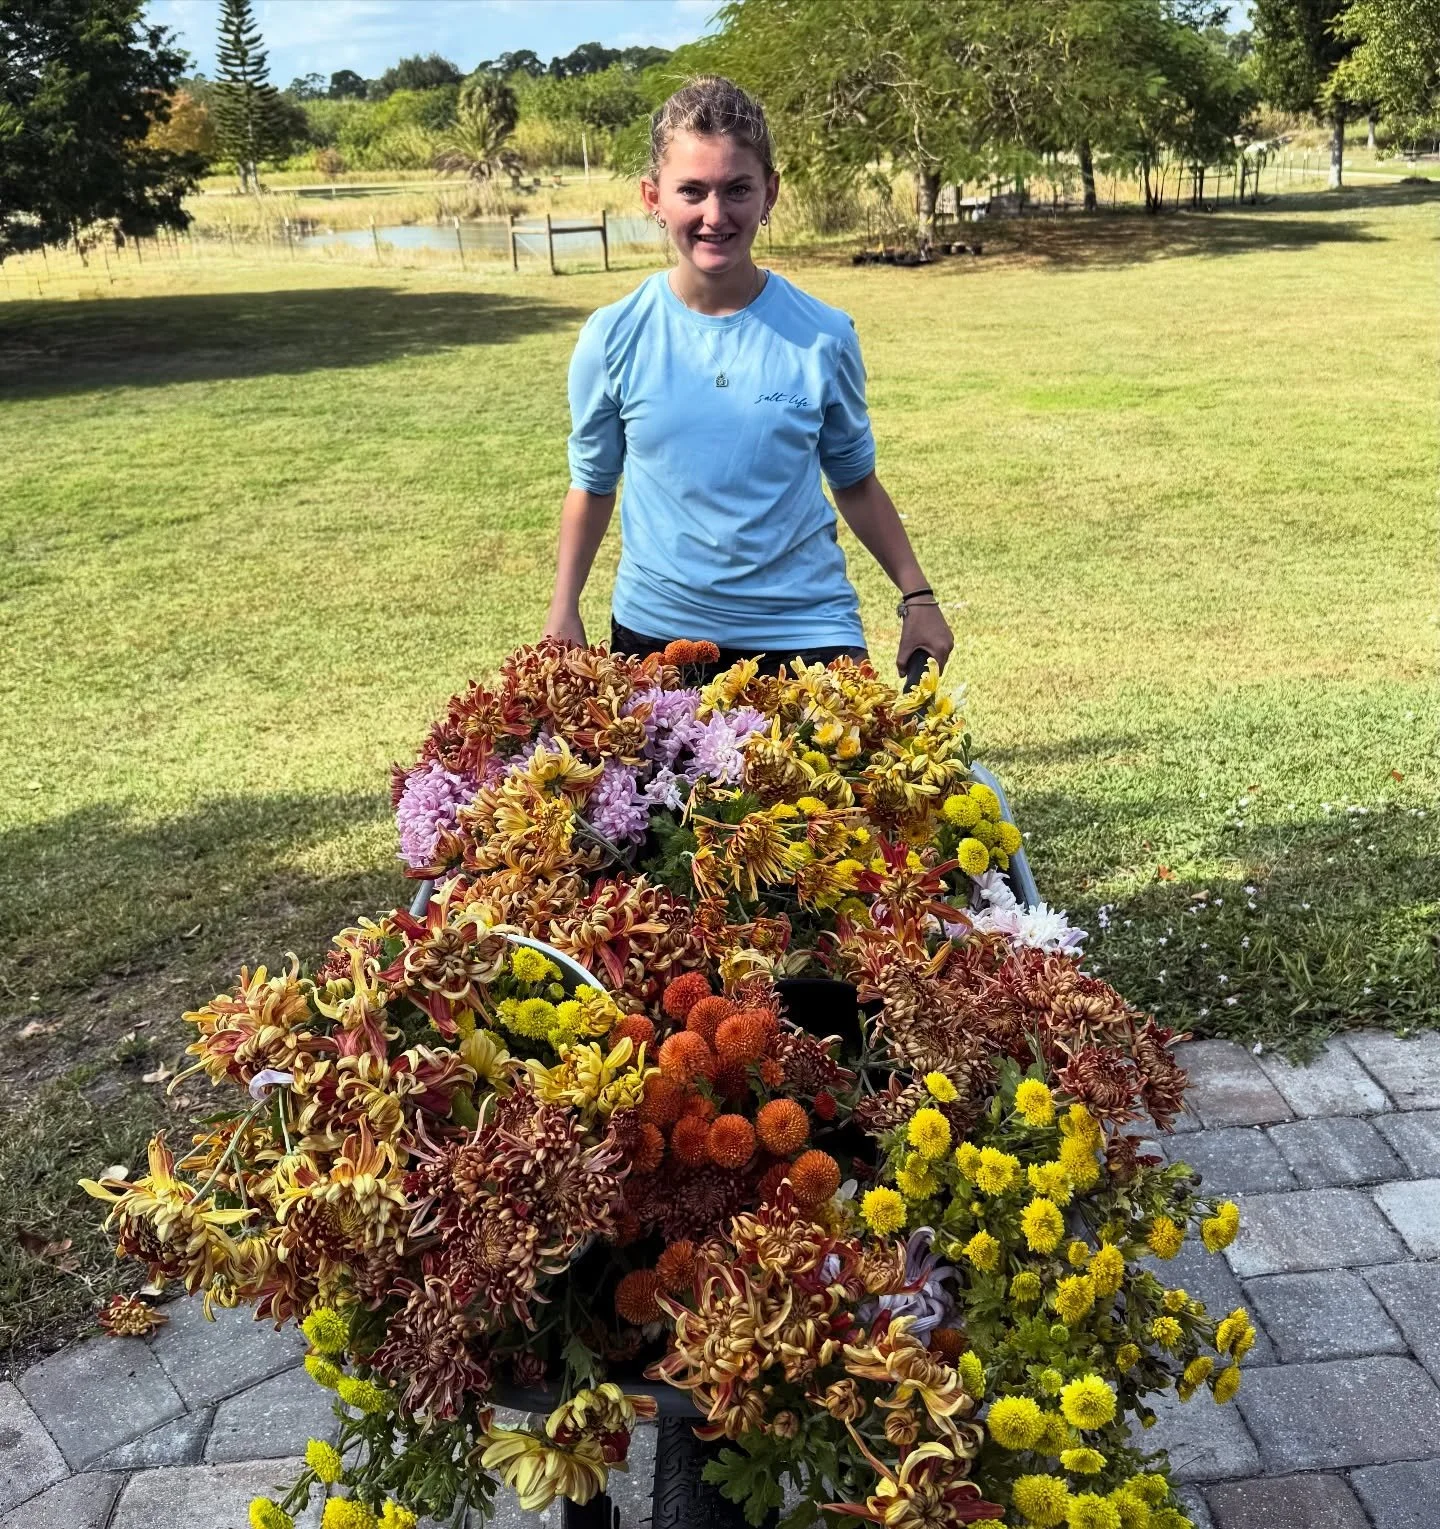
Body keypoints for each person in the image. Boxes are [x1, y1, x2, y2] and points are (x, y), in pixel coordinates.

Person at [543, 75, 953, 679]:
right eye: (692, 191)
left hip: (808, 637)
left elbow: (856, 482)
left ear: (770, 193)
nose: (715, 215)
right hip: (659, 640)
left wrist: (918, 597)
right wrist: (564, 607)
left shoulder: (823, 335)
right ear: (653, 197)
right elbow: (594, 483)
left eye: (737, 189)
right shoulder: (613, 336)